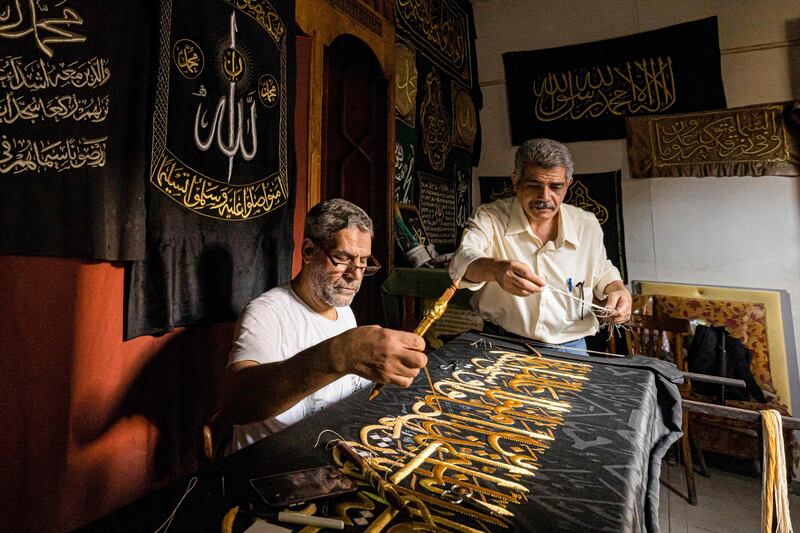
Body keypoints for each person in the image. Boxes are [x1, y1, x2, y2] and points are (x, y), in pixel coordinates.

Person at [221, 199, 427, 451]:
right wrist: (339, 353)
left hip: (328, 453)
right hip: (274, 465)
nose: (356, 275)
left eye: (364, 262)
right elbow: (237, 403)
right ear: (308, 251)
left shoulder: (344, 313)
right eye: (343, 259)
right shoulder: (266, 314)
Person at [449, 138, 631, 354]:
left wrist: (618, 289)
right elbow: (463, 261)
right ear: (516, 182)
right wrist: (496, 269)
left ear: (568, 185)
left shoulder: (586, 224)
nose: (545, 197)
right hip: (502, 344)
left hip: (571, 348)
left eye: (555, 187)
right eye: (533, 185)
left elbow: (601, 271)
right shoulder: (490, 217)